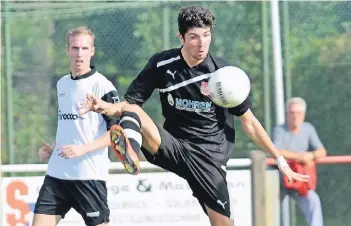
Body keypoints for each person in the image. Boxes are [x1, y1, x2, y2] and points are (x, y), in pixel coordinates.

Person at [79, 6, 309, 226]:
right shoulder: (162, 64)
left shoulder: (225, 75)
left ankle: (133, 146)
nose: (202, 43)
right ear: (181, 38)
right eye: (194, 37)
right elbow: (127, 104)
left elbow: (249, 123)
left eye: (206, 35)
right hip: (175, 146)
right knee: (134, 109)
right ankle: (131, 149)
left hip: (209, 157)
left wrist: (279, 159)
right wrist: (103, 107)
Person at [33, 26, 120, 226]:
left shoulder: (103, 86)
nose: (79, 54)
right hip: (57, 176)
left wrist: (82, 149)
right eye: (74, 48)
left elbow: (116, 134)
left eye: (84, 48)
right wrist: (55, 148)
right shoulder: (62, 84)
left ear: (92, 51)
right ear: (67, 50)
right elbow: (73, 127)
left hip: (88, 177)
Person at [273, 97, 326, 226]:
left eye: (299, 113)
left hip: (299, 183)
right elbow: (276, 150)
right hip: (278, 181)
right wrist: (300, 157)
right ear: (286, 114)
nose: (295, 116)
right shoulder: (279, 130)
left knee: (313, 200)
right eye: (292, 113)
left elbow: (322, 151)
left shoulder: (308, 129)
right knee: (269, 206)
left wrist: (310, 155)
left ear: (304, 115)